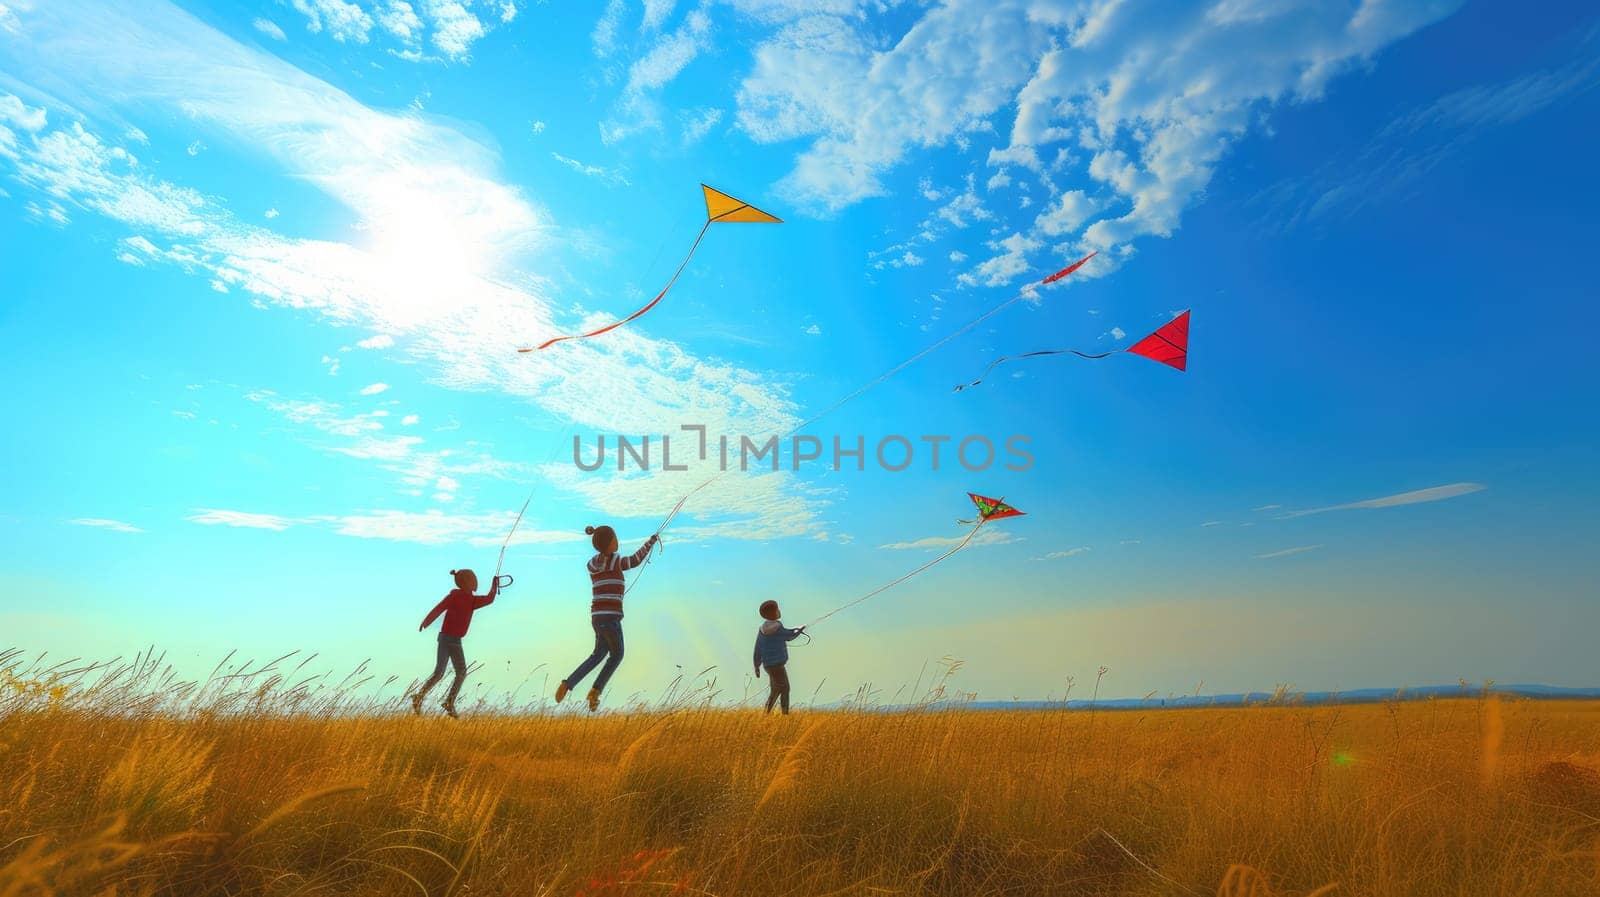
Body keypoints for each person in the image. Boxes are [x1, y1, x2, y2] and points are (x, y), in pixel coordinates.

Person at [554, 524, 658, 712]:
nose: (617, 541)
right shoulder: (615, 561)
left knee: (599, 654)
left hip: (597, 616)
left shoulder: (592, 564)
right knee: (617, 654)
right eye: (614, 538)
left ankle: (568, 683)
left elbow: (611, 564)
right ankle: (595, 691)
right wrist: (650, 542)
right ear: (609, 543)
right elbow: (634, 560)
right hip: (610, 617)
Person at [413, 568, 499, 718]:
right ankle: (446, 701)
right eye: (473, 580)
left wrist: (426, 622)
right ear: (467, 582)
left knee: (441, 672)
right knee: (457, 672)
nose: (475, 582)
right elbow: (490, 598)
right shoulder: (468, 599)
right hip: (450, 640)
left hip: (448, 639)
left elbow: (439, 608)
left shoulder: (466, 599)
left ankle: (426, 698)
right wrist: (494, 585)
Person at [753, 599, 805, 715]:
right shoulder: (778, 626)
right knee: (785, 688)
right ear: (773, 613)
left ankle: (766, 713)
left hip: (768, 665)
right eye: (777, 609)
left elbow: (758, 648)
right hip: (778, 666)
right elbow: (788, 636)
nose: (779, 611)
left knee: (775, 690)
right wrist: (799, 630)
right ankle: (784, 714)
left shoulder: (762, 629)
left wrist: (756, 665)